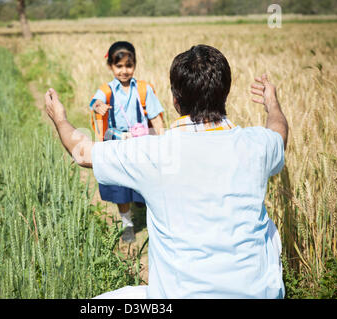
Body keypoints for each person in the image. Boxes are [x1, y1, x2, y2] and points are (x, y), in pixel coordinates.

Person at [44, 44, 289, 298]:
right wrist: (272, 104)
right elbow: (279, 134)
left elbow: (82, 151)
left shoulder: (153, 152)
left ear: (174, 99)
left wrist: (59, 118)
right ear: (226, 92)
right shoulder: (257, 144)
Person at [89, 41, 165, 243]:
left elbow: (156, 116)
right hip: (117, 143)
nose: (124, 71)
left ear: (135, 65)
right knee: (121, 188)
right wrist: (98, 107)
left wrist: (163, 139)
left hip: (142, 143)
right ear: (111, 67)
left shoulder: (143, 89)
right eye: (119, 66)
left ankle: (150, 218)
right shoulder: (106, 90)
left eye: (128, 66)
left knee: (147, 183)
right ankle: (127, 224)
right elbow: (94, 101)